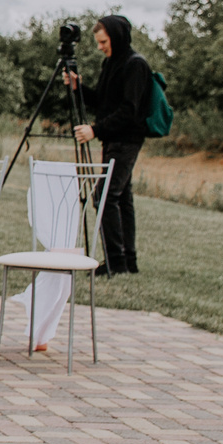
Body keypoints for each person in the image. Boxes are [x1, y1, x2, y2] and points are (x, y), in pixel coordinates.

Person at [64, 14, 152, 275]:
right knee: (121, 198)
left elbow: (129, 110)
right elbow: (103, 103)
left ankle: (116, 262)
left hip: (127, 140)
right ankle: (127, 262)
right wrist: (79, 88)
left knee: (104, 195)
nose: (100, 47)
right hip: (112, 140)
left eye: (103, 41)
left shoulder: (135, 65)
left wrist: (95, 130)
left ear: (117, 37)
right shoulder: (111, 64)